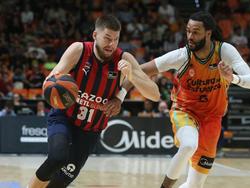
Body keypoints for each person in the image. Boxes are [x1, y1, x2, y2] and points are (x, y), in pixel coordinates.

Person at [123, 11, 250, 188]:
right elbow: (138, 72)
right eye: (188, 31)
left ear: (208, 33)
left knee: (194, 185)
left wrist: (232, 78)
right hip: (185, 112)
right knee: (188, 145)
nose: (190, 36)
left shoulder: (224, 51)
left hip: (212, 118)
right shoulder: (182, 56)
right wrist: (119, 93)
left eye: (195, 32)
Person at [27, 15, 160, 188]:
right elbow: (50, 80)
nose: (111, 44)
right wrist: (58, 88)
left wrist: (132, 76)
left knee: (67, 175)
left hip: (91, 128)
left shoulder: (124, 59)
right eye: (107, 38)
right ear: (95, 35)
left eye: (116, 40)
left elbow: (155, 95)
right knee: (56, 158)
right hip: (64, 116)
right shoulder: (79, 50)